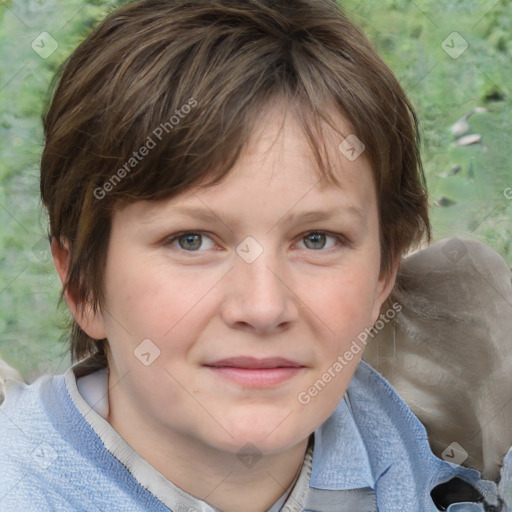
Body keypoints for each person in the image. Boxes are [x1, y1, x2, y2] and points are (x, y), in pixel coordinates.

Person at [0, 0, 504, 510]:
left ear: (382, 278)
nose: (263, 308)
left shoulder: (428, 454)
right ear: (83, 284)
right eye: (191, 240)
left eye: (316, 239)